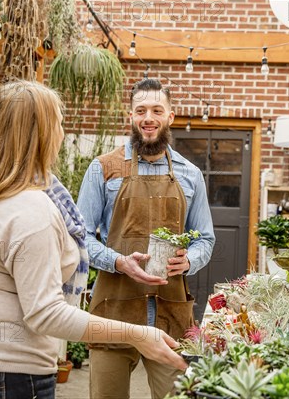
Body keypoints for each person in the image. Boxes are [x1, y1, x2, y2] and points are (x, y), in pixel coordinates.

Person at [0, 81, 186, 399]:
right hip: (11, 374)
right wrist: (137, 334)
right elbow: (46, 313)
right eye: (59, 123)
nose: (62, 132)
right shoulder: (33, 212)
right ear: (43, 134)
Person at [77, 78, 215, 398]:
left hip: (171, 313)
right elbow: (80, 235)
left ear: (170, 116)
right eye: (140, 110)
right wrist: (118, 261)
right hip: (114, 310)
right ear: (131, 116)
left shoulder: (189, 174)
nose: (148, 118)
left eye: (156, 110)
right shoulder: (103, 169)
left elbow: (205, 238)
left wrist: (189, 260)